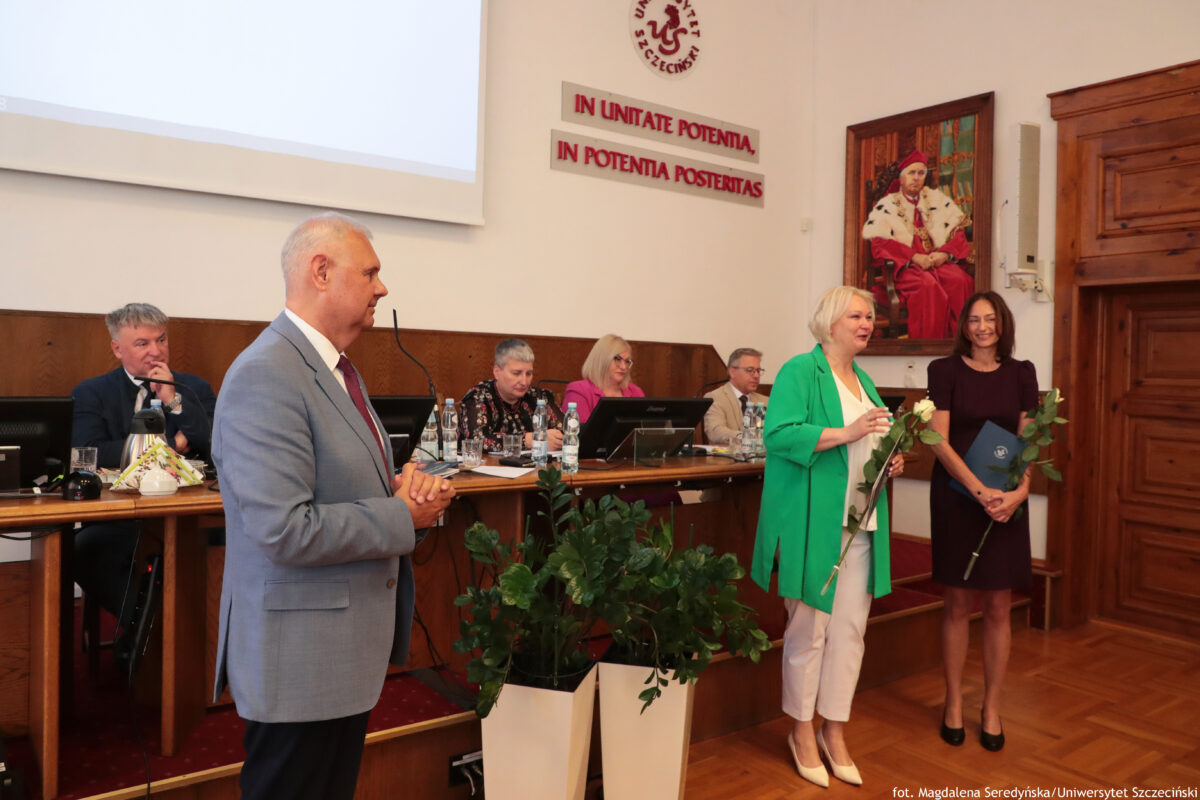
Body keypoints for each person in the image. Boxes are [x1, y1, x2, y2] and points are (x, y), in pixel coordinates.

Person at [211, 212, 456, 800]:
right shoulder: (267, 375)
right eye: (370, 272)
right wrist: (404, 516)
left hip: (334, 654)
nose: (382, 287)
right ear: (321, 272)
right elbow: (283, 530)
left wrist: (402, 485)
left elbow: (337, 487)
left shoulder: (335, 369)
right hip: (299, 660)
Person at [750, 286, 904, 788]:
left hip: (861, 521)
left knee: (850, 633)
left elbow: (872, 440)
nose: (867, 323)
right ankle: (800, 728)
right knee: (808, 630)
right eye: (857, 315)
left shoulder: (863, 381)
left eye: (871, 316)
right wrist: (848, 433)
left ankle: (834, 730)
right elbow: (779, 434)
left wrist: (890, 459)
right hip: (814, 520)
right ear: (831, 321)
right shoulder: (800, 370)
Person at [70, 302, 217, 660]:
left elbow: (215, 444)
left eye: (161, 340)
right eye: (142, 343)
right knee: (84, 549)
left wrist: (174, 400)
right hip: (120, 517)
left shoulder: (194, 388)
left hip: (187, 515)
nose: (156, 351)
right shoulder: (93, 392)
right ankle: (154, 635)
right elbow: (89, 451)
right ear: (117, 348)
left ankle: (147, 642)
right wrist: (173, 444)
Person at [926, 291, 1037, 753]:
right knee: (957, 604)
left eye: (990, 319)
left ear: (1002, 324)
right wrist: (977, 489)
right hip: (958, 496)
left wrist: (1020, 492)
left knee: (997, 606)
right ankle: (954, 702)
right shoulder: (944, 371)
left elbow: (1028, 442)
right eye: (974, 319)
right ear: (964, 326)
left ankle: (991, 707)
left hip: (1006, 501)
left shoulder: (1022, 373)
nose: (982, 327)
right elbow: (937, 438)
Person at [861, 149, 975, 338]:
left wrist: (944, 254)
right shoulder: (888, 205)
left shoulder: (937, 200)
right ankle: (929, 345)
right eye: (911, 173)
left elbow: (957, 233)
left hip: (936, 263)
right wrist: (914, 256)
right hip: (906, 267)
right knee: (928, 287)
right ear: (902, 177)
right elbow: (881, 244)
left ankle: (959, 344)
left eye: (921, 173)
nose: (916, 178)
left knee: (960, 281)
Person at [458, 338, 565, 451]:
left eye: (529, 373)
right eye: (516, 373)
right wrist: (527, 440)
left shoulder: (539, 397)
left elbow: (567, 432)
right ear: (497, 372)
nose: (524, 382)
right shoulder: (478, 397)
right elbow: (477, 441)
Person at [563, 334, 645, 423]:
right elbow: (581, 433)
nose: (623, 366)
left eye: (627, 361)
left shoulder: (636, 392)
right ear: (602, 360)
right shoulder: (579, 390)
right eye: (617, 359)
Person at [703, 347, 768, 444]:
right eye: (750, 370)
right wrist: (747, 437)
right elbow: (715, 432)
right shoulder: (715, 398)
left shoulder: (766, 401)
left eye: (758, 371)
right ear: (732, 372)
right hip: (725, 458)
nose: (756, 376)